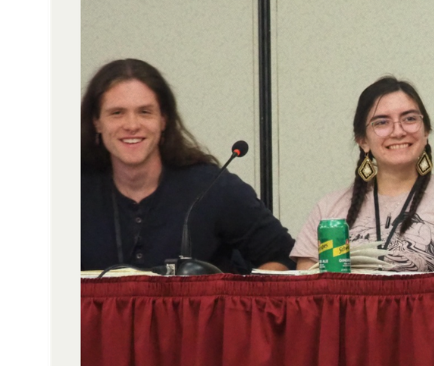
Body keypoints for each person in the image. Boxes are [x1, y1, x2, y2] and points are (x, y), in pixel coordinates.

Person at [81, 58, 295, 273]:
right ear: (96, 122)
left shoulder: (210, 187)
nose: (132, 125)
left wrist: (239, 295)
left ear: (163, 120)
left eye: (145, 112)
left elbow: (284, 257)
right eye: (117, 113)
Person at [292, 77, 434, 272]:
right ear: (363, 141)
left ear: (426, 131)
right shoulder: (328, 209)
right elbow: (306, 282)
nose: (398, 131)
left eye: (410, 119)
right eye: (381, 122)